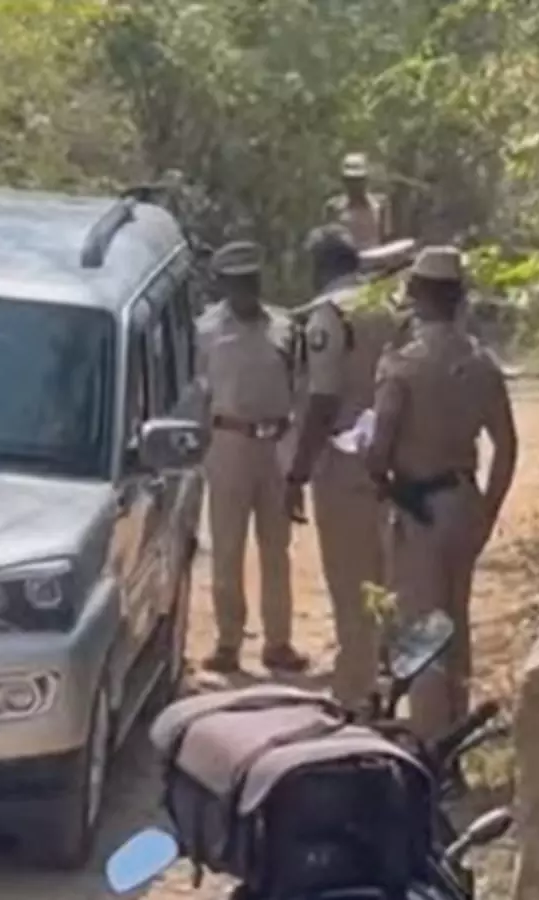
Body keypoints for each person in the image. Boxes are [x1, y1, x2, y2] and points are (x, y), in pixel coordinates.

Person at [364, 245, 518, 739]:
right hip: (463, 502)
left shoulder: (403, 366)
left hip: (419, 509)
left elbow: (380, 446)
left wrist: (376, 470)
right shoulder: (481, 364)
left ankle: (432, 744)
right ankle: (457, 735)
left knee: (425, 630)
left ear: (418, 295)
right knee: (457, 623)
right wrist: (487, 511)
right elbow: (506, 445)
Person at [285, 225, 407, 706]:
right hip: (395, 459)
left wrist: (298, 472)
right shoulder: (388, 307)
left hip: (343, 462)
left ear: (320, 268)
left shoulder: (329, 315)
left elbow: (322, 400)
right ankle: (392, 680)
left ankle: (356, 692)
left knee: (350, 579)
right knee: (387, 574)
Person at [195, 241, 309, 675]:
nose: (247, 289)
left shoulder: (285, 327)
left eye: (252, 280)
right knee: (227, 547)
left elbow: (300, 386)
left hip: (276, 443)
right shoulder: (205, 331)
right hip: (228, 443)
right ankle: (228, 641)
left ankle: (278, 642)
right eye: (238, 282)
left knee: (276, 548)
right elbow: (196, 392)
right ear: (224, 284)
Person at [324, 153, 393, 250]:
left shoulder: (380, 205)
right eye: (350, 180)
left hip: (375, 256)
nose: (355, 185)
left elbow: (386, 240)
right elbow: (329, 243)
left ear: (366, 180)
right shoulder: (333, 207)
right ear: (344, 181)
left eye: (359, 180)